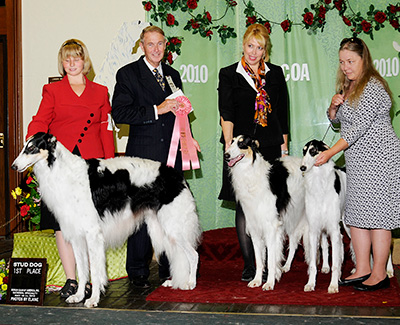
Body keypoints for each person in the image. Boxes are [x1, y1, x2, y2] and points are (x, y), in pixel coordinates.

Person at [112, 25, 200, 288]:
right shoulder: (128, 74)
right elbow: (120, 114)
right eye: (150, 44)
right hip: (142, 158)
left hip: (172, 157)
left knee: (171, 215)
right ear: (142, 45)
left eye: (160, 44)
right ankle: (138, 271)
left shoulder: (173, 75)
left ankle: (169, 270)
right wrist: (156, 109)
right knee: (140, 215)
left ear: (166, 45)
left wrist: (190, 139)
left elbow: (181, 115)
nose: (156, 49)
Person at [26, 39, 115, 298]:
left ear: (85, 61)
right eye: (67, 59)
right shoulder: (52, 90)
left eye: (77, 58)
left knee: (89, 225)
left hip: (90, 166)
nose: (72, 63)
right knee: (62, 225)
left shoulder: (100, 91)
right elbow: (40, 120)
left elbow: (105, 129)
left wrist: (108, 163)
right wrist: (30, 144)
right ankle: (71, 279)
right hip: (60, 167)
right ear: (62, 63)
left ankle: (90, 280)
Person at [316, 37, 400, 291]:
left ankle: (379, 274)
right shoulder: (349, 87)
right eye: (342, 62)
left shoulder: (373, 86)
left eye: (351, 61)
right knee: (357, 216)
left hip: (381, 159)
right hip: (358, 161)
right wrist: (332, 107)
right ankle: (362, 267)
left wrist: (330, 152)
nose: (346, 67)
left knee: (378, 217)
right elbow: (338, 123)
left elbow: (356, 129)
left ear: (364, 59)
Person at [217, 24, 289, 281]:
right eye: (250, 46)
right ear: (243, 44)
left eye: (259, 48)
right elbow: (226, 112)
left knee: (269, 209)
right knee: (244, 205)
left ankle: (271, 265)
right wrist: (229, 146)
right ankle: (251, 265)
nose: (254, 52)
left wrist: (284, 147)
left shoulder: (275, 74)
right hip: (241, 149)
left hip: (269, 148)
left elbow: (282, 114)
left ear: (265, 50)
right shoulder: (229, 74)